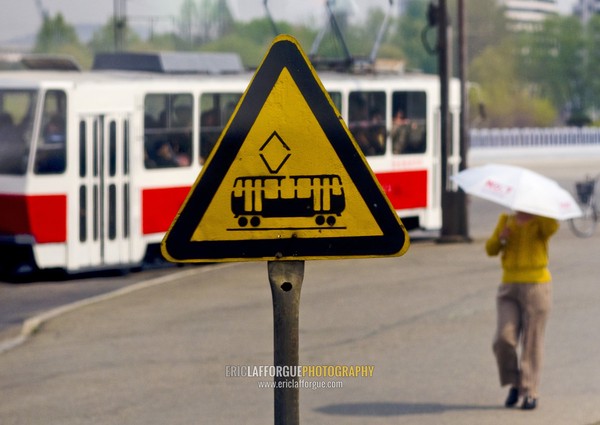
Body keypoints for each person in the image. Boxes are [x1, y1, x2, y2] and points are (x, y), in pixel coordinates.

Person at [485, 210, 559, 410]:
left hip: (537, 286)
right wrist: (501, 238)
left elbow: (551, 229)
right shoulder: (506, 219)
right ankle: (515, 383)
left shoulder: (544, 220)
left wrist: (540, 214)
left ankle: (530, 390)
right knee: (503, 339)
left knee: (532, 341)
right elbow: (490, 249)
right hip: (509, 286)